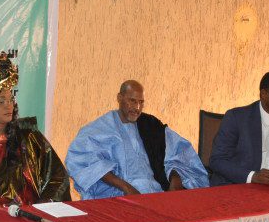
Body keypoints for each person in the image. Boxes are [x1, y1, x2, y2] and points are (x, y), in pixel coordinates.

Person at [0, 53, 70, 206]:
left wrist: (42, 206)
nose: (8, 106)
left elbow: (57, 176)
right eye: (0, 101)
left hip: (33, 213)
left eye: (11, 100)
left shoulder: (29, 135)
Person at [66, 80, 208, 200]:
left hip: (156, 193)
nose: (137, 108)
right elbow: (84, 160)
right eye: (132, 101)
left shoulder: (150, 125)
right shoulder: (101, 128)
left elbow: (180, 152)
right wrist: (126, 187)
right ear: (119, 98)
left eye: (141, 102)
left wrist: (175, 179)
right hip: (119, 196)